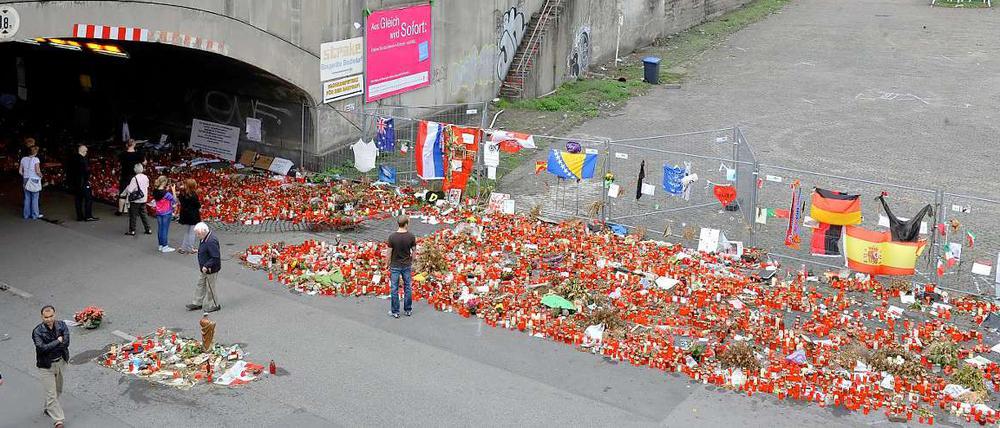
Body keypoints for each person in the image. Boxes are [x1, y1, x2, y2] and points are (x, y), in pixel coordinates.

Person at [33, 305, 69, 428]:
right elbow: (42, 349)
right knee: (51, 394)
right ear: (42, 317)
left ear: (55, 315)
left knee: (58, 389)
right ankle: (58, 420)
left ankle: (49, 408)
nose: (49, 319)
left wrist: (53, 345)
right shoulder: (37, 331)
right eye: (46, 317)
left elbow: (66, 343)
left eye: (51, 316)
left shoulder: (62, 325)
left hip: (60, 362)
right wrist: (57, 341)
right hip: (45, 366)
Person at [386, 215, 417, 318]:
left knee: (394, 288)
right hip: (406, 264)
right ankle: (408, 309)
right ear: (406, 224)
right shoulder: (411, 236)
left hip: (395, 265)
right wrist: (412, 260)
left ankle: (395, 311)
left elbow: (389, 253)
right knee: (407, 287)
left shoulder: (392, 237)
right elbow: (414, 251)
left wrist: (387, 264)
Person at [187, 222, 221, 312]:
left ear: (204, 231)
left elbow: (215, 257)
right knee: (200, 284)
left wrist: (206, 265)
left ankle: (215, 304)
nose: (197, 236)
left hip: (210, 269)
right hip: (204, 268)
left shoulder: (211, 241)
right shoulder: (205, 237)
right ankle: (197, 303)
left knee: (210, 287)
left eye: (198, 234)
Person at [67, 144, 98, 222]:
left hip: (75, 183)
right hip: (83, 182)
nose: (87, 152)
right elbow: (86, 171)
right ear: (83, 151)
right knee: (89, 199)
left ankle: (79, 216)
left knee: (78, 199)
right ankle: (88, 216)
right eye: (86, 151)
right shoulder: (83, 160)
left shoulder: (73, 158)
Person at [122, 163, 151, 236]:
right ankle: (148, 229)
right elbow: (147, 186)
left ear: (135, 170)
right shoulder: (146, 177)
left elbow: (130, 190)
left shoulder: (134, 178)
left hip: (136, 199)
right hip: (143, 198)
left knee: (133, 215)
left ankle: (132, 230)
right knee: (144, 214)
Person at [116, 139, 144, 216]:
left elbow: (119, 163)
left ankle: (120, 211)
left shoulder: (122, 154)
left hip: (124, 175)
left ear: (126, 145)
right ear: (134, 144)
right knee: (135, 193)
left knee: (122, 193)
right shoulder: (138, 154)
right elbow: (144, 162)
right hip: (135, 176)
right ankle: (134, 211)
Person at [150, 175, 177, 253]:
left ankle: (160, 245)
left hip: (158, 212)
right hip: (166, 212)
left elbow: (161, 196)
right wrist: (173, 190)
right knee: (165, 229)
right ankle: (165, 246)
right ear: (164, 182)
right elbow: (174, 200)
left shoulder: (155, 191)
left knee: (160, 228)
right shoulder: (166, 193)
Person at [177, 179, 202, 254]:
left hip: (185, 214)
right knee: (192, 232)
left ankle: (183, 247)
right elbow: (197, 205)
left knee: (187, 232)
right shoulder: (194, 195)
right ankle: (190, 248)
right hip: (193, 215)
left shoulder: (182, 193)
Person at [19, 145, 42, 220]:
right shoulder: (36, 159)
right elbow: (37, 171)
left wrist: (25, 175)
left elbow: (20, 171)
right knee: (35, 198)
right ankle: (35, 215)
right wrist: (41, 176)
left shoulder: (23, 159)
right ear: (35, 152)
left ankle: (26, 215)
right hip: (34, 179)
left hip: (25, 179)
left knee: (27, 197)